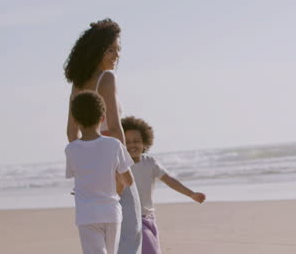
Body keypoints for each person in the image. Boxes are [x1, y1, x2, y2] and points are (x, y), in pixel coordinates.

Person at [64, 18, 142, 254]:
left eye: (119, 50)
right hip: (115, 161)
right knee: (131, 230)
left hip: (92, 171)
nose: (116, 55)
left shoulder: (77, 84)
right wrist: (119, 174)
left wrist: (89, 162)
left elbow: (71, 133)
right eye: (111, 49)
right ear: (97, 49)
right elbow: (117, 130)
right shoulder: (106, 79)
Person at [121, 116, 206, 254]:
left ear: (145, 142)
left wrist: (191, 194)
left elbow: (170, 180)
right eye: (127, 142)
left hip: (147, 217)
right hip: (128, 219)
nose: (132, 145)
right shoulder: (121, 165)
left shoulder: (150, 162)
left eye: (136, 141)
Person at [65, 91, 134, 254]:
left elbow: (76, 176)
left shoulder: (71, 149)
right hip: (111, 212)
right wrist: (118, 184)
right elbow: (129, 180)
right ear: (102, 118)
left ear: (74, 120)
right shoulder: (115, 144)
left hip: (87, 215)